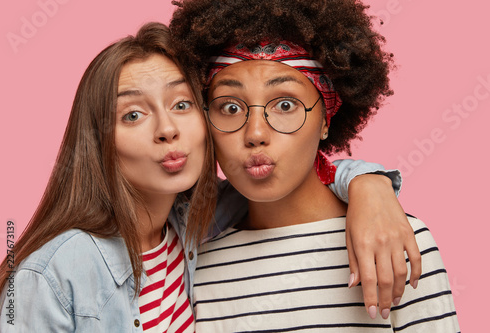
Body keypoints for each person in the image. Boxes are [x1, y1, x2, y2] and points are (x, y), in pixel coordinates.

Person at [0, 22, 417, 332]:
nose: (167, 129)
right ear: (98, 141)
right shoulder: (51, 274)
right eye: (132, 115)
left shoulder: (198, 224)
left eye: (181, 105)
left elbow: (291, 174)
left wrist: (371, 187)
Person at [169, 0, 460, 331]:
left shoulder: (394, 242)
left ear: (325, 119)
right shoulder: (195, 266)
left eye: (285, 104)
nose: (255, 134)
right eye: (230, 108)